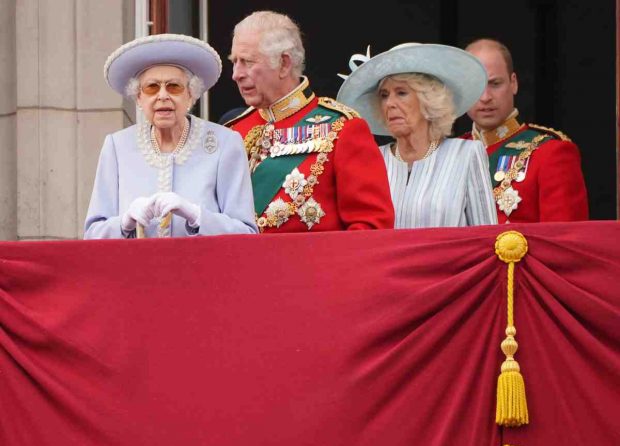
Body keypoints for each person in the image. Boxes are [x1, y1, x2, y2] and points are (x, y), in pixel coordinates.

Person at [225, 11, 394, 233]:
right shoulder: (233, 132)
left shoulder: (341, 128)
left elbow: (371, 229)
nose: (236, 74)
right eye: (234, 62)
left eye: (247, 62)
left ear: (284, 64)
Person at [84, 34, 257, 239]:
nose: (163, 96)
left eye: (174, 86)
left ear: (191, 95)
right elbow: (92, 235)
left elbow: (247, 233)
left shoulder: (225, 143)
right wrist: (124, 222)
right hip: (135, 270)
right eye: (151, 87)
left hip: (201, 269)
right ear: (139, 98)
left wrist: (197, 216)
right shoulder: (117, 146)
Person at [337, 43, 497, 228]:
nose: (390, 103)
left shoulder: (466, 154)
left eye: (401, 93)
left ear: (428, 100)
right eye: (384, 95)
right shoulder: (371, 159)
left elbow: (487, 238)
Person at [463, 38, 588, 223]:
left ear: (513, 83)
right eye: (475, 86)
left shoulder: (550, 153)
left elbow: (564, 243)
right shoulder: (451, 153)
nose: (485, 97)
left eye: (495, 84)